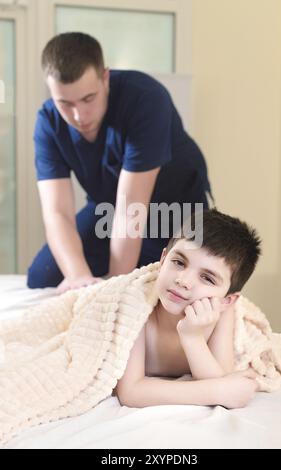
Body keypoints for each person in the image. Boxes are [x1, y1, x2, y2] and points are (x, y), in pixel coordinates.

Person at [27, 32, 213, 293]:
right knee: (42, 276)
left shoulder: (145, 99)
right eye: (65, 103)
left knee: (156, 284)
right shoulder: (48, 122)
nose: (79, 115)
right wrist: (79, 278)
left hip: (173, 209)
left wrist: (111, 292)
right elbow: (57, 212)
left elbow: (131, 212)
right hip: (110, 207)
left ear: (105, 77)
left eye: (88, 99)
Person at [115, 208, 262, 408]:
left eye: (207, 278)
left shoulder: (224, 313)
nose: (183, 281)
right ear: (163, 260)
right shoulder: (136, 302)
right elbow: (130, 392)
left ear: (226, 300)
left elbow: (221, 377)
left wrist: (192, 337)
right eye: (178, 262)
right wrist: (216, 392)